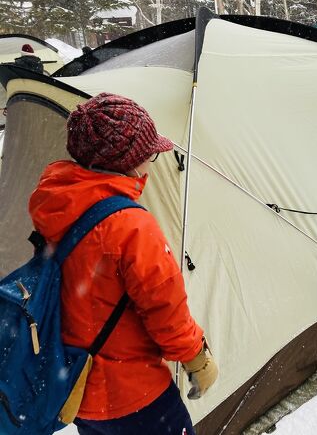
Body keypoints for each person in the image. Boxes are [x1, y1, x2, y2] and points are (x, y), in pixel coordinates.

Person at [28, 92, 217, 434]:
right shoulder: (130, 226)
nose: (150, 163)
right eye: (149, 156)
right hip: (137, 396)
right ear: (128, 162)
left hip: (76, 387)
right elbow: (166, 313)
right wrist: (197, 358)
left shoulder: (55, 202)